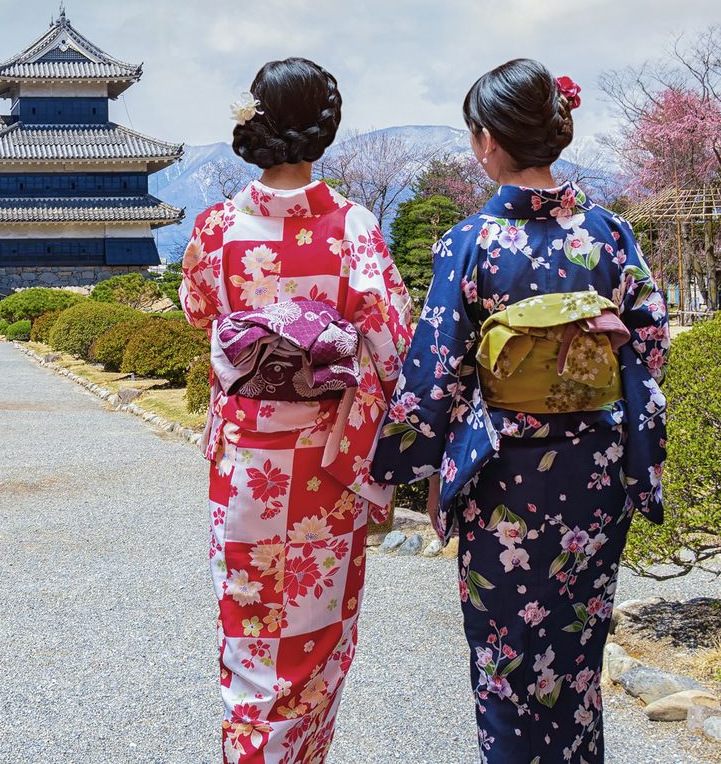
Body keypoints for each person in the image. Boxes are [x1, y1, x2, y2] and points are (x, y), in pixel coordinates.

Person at [371, 60, 668, 764]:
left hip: (505, 473)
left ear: (486, 142)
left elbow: (434, 372)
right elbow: (649, 345)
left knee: (506, 659)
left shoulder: (471, 242)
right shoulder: (610, 235)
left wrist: (399, 465)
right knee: (575, 656)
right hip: (593, 471)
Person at [179, 57, 413, 764]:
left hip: (247, 465)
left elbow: (198, 311)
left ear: (254, 120)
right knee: (313, 644)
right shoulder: (354, 226)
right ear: (324, 127)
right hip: (325, 466)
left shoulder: (218, 227)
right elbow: (393, 339)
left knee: (249, 639)